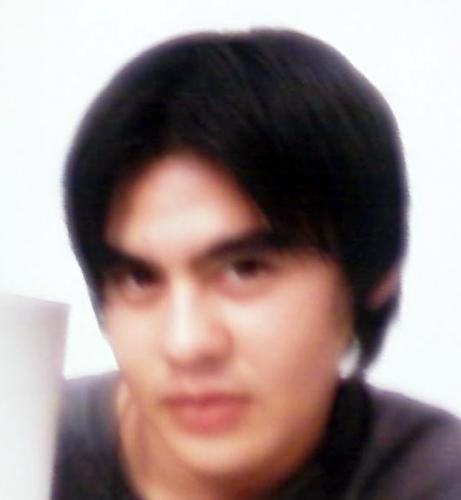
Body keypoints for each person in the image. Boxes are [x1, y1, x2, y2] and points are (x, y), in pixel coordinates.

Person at [53, 29, 461, 499]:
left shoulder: (435, 479)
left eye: (245, 269)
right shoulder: (26, 452)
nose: (186, 344)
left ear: (374, 275)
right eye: (138, 278)